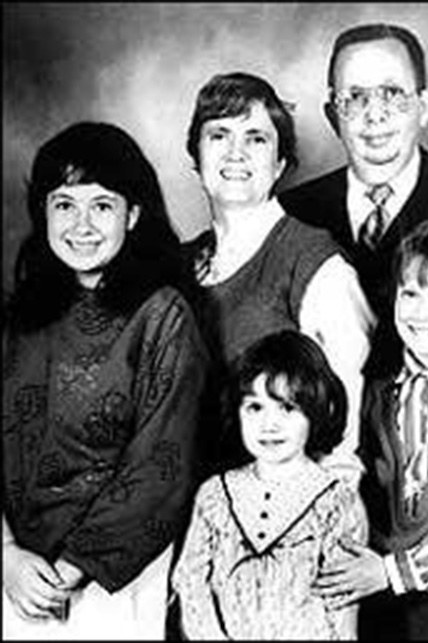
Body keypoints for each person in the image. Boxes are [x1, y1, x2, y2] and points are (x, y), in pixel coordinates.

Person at [2, 121, 209, 640]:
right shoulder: (18, 319)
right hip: (14, 575)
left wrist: (67, 574)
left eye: (102, 205)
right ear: (43, 213)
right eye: (64, 204)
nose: (82, 225)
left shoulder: (163, 316)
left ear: (132, 215)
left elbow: (162, 466)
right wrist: (6, 556)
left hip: (111, 583)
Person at [312, 217, 428, 640]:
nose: (421, 312)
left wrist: (394, 571)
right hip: (387, 620)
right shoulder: (376, 395)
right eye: (410, 293)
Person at [182, 71, 375, 477]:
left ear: (279, 164)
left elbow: (344, 427)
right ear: (197, 158)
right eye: (219, 135)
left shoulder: (315, 262)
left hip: (275, 499)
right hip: (187, 497)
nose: (236, 153)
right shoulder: (180, 264)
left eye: (256, 139)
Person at [279, 22, 428, 379]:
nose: (374, 114)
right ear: (333, 115)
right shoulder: (290, 213)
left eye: (393, 93)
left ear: (424, 106)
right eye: (354, 97)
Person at [169, 330, 368, 640]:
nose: (269, 424)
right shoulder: (215, 496)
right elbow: (192, 586)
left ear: (315, 410)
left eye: (287, 408)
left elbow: (342, 614)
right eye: (255, 407)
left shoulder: (336, 502)